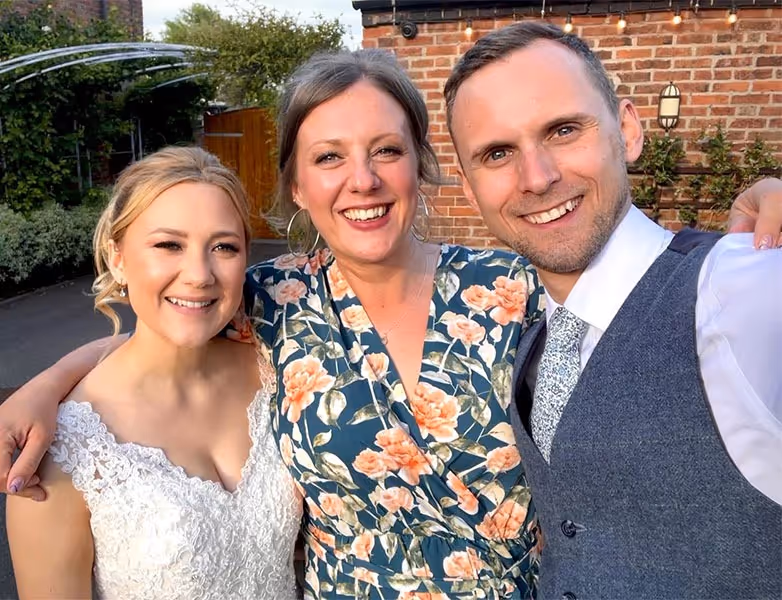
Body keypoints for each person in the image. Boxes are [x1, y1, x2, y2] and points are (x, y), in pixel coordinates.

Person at [0, 48, 780, 600]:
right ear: (298, 188)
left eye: (385, 150)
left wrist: (761, 205)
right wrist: (46, 387)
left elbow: (642, 280)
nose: (362, 181)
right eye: (329, 158)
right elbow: (167, 321)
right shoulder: (272, 299)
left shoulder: (514, 285)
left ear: (421, 164)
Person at [443, 21, 782, 600]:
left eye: (564, 130)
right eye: (498, 153)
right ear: (469, 185)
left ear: (626, 131)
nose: (537, 178)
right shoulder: (537, 330)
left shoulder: (739, 287)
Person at [5, 146, 302, 600]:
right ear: (118, 256)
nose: (199, 274)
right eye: (169, 245)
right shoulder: (61, 449)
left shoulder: (278, 370)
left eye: (223, 246)